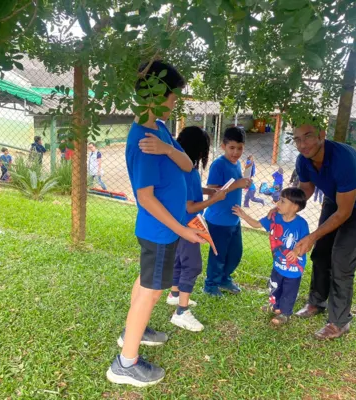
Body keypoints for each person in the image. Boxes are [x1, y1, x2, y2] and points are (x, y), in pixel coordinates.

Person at [107, 60, 206, 388]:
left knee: (145, 281)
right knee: (151, 292)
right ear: (155, 94)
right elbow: (145, 198)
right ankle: (125, 364)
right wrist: (182, 230)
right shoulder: (144, 140)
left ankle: (133, 331)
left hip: (160, 230)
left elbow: (187, 163)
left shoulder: (159, 130)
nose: (177, 100)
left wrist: (168, 147)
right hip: (161, 230)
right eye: (174, 94)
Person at [288, 122, 356, 340]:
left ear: (322, 134)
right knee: (321, 252)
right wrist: (286, 205)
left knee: (341, 259)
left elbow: (344, 213)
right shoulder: (304, 160)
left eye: (308, 136)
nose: (303, 144)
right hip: (335, 197)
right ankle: (317, 302)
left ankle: (339, 321)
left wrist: (311, 236)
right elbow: (307, 189)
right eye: (297, 139)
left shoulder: (343, 160)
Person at [167, 126, 228, 332]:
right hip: (189, 226)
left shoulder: (177, 169)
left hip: (175, 224)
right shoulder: (190, 172)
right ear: (200, 150)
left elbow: (189, 192)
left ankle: (175, 295)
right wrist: (214, 199)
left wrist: (208, 191)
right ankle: (181, 312)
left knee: (178, 260)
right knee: (192, 265)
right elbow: (190, 206)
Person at [232, 188, 310, 325]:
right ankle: (275, 306)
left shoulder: (301, 224)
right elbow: (256, 224)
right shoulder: (275, 218)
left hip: (293, 269)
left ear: (295, 207)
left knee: (289, 291)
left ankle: (285, 313)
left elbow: (306, 244)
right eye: (279, 200)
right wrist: (243, 215)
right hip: (278, 264)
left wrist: (296, 252)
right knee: (275, 286)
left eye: (282, 201)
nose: (277, 203)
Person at [202, 127, 252, 297]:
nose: (236, 152)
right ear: (223, 146)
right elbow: (212, 190)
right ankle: (210, 285)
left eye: (240, 148)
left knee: (235, 253)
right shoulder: (218, 165)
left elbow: (236, 184)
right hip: (218, 220)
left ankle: (224, 279)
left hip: (233, 218)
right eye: (232, 148)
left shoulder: (237, 164)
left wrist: (244, 183)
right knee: (218, 255)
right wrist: (237, 184)